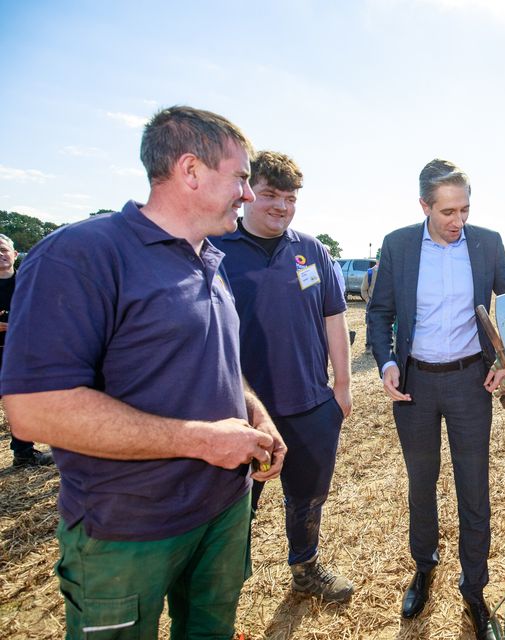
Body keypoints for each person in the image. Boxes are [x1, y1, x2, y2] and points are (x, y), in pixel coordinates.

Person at [0, 106, 287, 639]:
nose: (248, 194)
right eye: (242, 178)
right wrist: (199, 440)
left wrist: (256, 414)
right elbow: (33, 411)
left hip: (223, 509)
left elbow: (216, 364)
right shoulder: (80, 255)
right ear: (191, 170)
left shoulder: (209, 259)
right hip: (128, 529)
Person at [367, 158, 505, 640]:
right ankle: (424, 567)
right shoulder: (399, 245)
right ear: (424, 206)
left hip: (471, 382)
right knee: (421, 483)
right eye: (448, 211)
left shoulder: (488, 243)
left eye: (465, 209)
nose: (458, 221)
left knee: (474, 487)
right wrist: (387, 363)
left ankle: (474, 589)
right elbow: (380, 313)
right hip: (415, 386)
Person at [211, 150, 354, 602]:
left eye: (290, 198)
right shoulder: (217, 248)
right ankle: (225, 585)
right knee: (235, 506)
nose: (281, 206)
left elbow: (335, 316)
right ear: (249, 192)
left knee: (309, 497)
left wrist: (342, 389)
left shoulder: (310, 250)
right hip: (240, 408)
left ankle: (306, 568)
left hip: (310, 403)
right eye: (270, 194)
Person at [0, 233, 53, 467]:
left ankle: (23, 453)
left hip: (20, 352)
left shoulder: (28, 282)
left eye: (3, 249)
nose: (0, 255)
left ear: (14, 254)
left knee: (21, 401)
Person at [360, 260, 379, 351]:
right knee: (370, 324)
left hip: (385, 302)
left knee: (386, 324)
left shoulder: (389, 271)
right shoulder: (370, 272)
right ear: (377, 260)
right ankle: (369, 346)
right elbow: (363, 289)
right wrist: (368, 300)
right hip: (372, 302)